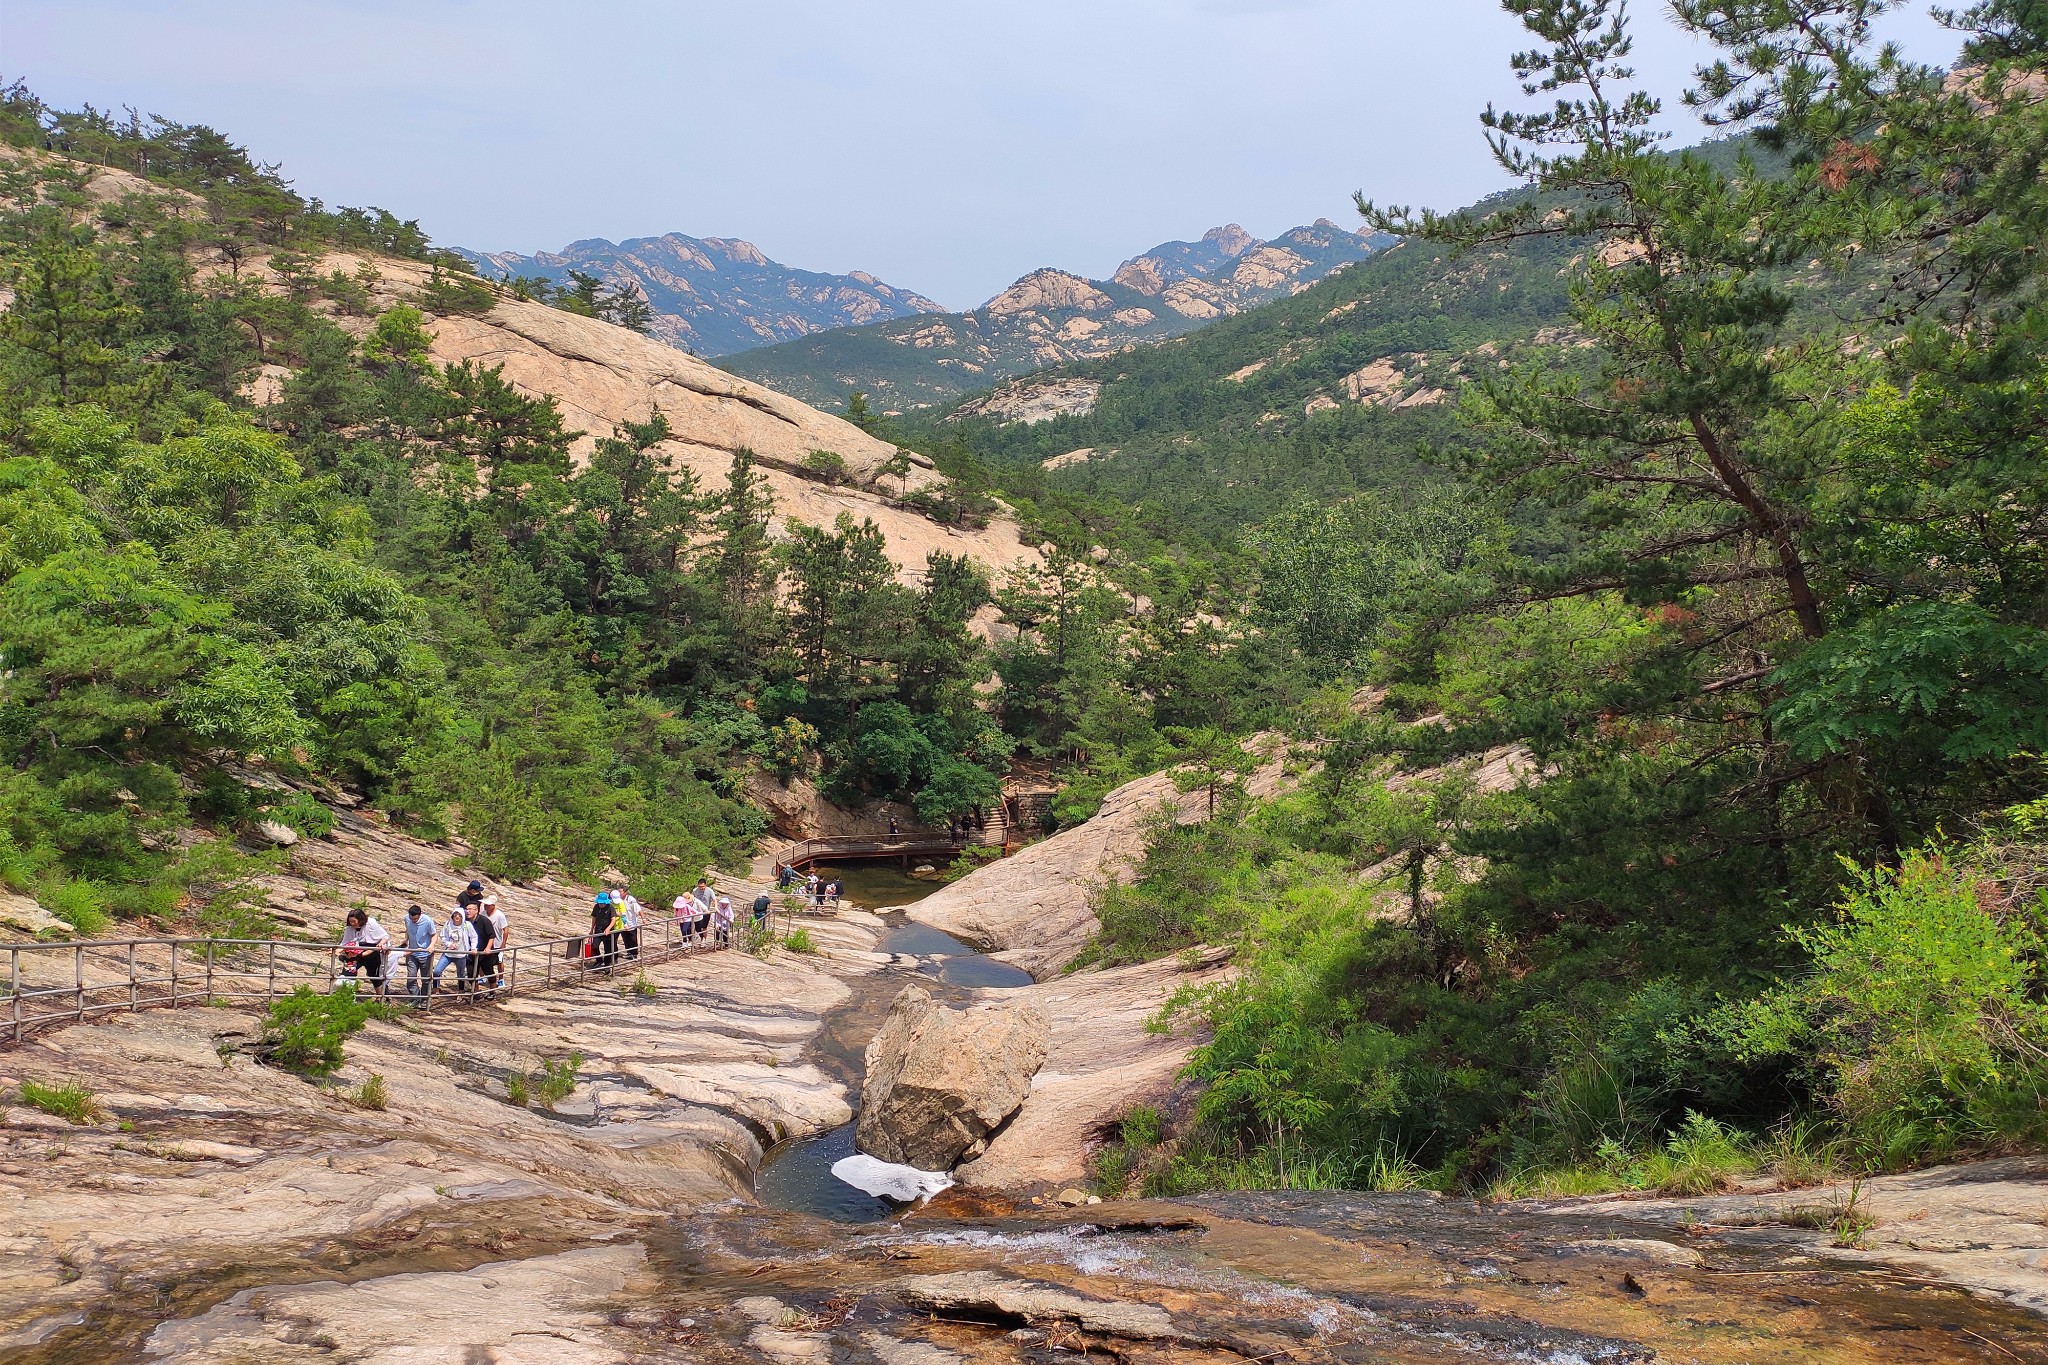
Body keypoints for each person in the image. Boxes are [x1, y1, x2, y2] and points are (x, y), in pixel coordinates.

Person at [341, 910, 390, 996]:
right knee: (348, 971)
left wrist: (380, 944)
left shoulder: (371, 923)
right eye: (350, 921)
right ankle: (347, 995)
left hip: (372, 950)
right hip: (355, 951)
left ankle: (381, 997)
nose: (352, 924)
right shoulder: (349, 928)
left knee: (373, 975)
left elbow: (384, 936)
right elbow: (345, 942)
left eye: (354, 921)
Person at [438, 906, 477, 994]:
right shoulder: (448, 924)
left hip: (461, 954)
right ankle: (435, 989)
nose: (457, 917)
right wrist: (449, 944)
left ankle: (461, 992)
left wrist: (473, 947)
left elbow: (474, 937)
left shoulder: (467, 925)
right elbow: (443, 936)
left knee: (461, 974)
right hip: (448, 953)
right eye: (455, 914)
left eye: (459, 915)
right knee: (437, 971)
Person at [401, 904, 436, 1001]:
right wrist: (406, 939)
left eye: (415, 919)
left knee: (426, 979)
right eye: (412, 919)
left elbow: (434, 934)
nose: (413, 921)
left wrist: (431, 945)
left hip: (424, 954)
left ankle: (424, 999)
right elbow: (408, 929)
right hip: (412, 953)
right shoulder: (407, 918)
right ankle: (416, 998)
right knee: (411, 977)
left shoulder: (428, 921)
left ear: (420, 915)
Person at [465, 899, 497, 995]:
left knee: (489, 973)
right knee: (471, 973)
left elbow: (492, 936)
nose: (468, 911)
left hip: (484, 953)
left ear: (476, 910)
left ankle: (492, 992)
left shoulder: (484, 921)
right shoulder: (465, 921)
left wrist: (488, 948)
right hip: (471, 952)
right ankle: (476, 992)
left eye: (470, 909)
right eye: (466, 909)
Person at [484, 894, 509, 990]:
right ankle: (483, 977)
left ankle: (501, 979)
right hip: (486, 942)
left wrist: (503, 943)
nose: (486, 906)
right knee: (484, 959)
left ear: (493, 905)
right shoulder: (483, 913)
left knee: (499, 961)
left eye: (488, 905)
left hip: (497, 942)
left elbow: (505, 930)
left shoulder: (500, 915)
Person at [589, 892, 617, 968]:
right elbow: (594, 917)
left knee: (607, 949)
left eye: (602, 903)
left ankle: (607, 964)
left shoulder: (610, 908)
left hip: (608, 932)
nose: (600, 905)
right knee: (594, 946)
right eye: (599, 903)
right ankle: (599, 960)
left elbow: (613, 919)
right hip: (598, 930)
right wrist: (592, 928)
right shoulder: (596, 907)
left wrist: (608, 928)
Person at [616, 884, 642, 960]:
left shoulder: (631, 900)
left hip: (631, 923)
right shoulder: (618, 900)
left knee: (632, 939)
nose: (619, 893)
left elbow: (638, 909)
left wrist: (643, 918)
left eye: (620, 892)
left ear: (625, 892)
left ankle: (634, 954)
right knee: (625, 938)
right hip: (623, 923)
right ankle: (629, 952)